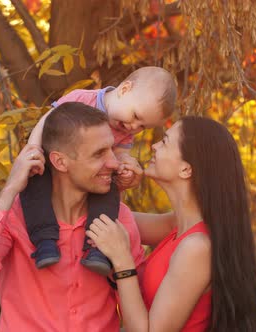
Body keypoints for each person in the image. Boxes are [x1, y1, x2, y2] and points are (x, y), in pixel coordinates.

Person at [0, 102, 145, 331]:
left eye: (112, 149)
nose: (114, 162)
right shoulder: (14, 217)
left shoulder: (118, 218)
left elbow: (138, 319)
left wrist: (122, 260)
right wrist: (11, 187)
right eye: (99, 154)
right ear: (60, 161)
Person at [87, 117, 256, 331]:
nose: (153, 145)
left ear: (186, 170)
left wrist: (122, 261)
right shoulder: (177, 225)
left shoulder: (196, 247)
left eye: (164, 141)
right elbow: (108, 220)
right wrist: (119, 184)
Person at [22, 66, 177, 275]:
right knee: (34, 188)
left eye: (142, 126)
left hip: (88, 180)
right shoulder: (82, 99)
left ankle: (96, 248)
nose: (133, 127)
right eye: (135, 116)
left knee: (108, 194)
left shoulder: (125, 131)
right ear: (124, 90)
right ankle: (44, 242)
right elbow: (46, 122)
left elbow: (120, 155)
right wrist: (33, 151)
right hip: (51, 165)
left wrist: (125, 166)